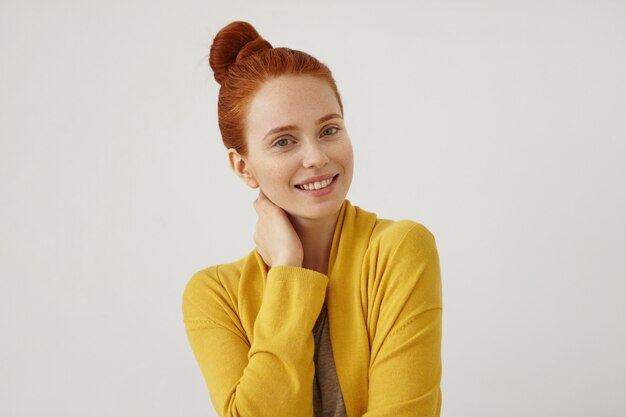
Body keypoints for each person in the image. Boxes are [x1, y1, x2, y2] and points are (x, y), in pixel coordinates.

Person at [182, 20, 443, 417]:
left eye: (329, 130)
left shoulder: (400, 250)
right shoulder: (214, 295)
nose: (317, 157)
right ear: (242, 166)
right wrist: (288, 270)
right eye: (284, 141)